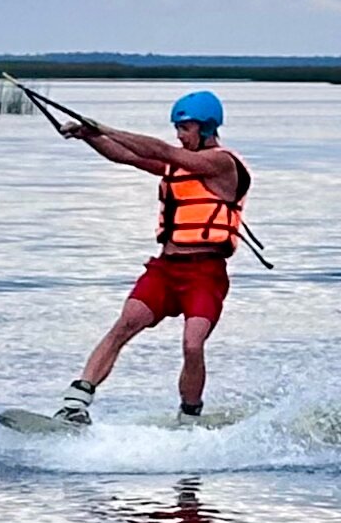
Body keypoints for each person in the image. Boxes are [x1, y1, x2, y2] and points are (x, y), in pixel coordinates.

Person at [57, 90, 252, 424]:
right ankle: (76, 404)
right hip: (165, 269)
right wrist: (89, 136)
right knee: (125, 324)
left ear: (206, 128)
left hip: (205, 273)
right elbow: (124, 156)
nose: (179, 136)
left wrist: (104, 127)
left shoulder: (221, 163)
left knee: (192, 344)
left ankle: (190, 415)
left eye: (185, 128)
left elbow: (161, 150)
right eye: (177, 129)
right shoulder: (175, 166)